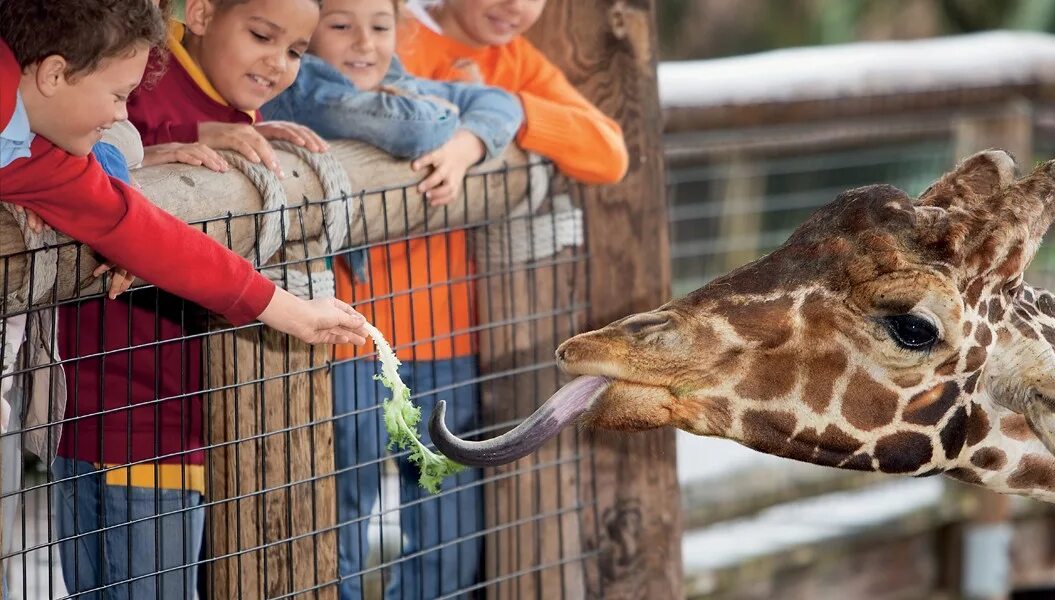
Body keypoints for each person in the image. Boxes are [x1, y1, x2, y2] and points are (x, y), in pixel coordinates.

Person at [0, 1, 367, 597]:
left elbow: (148, 235)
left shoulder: (51, 165)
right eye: (120, 97)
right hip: (120, 418)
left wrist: (294, 313)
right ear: (53, 74)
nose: (125, 116)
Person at [262, 0, 523, 596]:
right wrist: (444, 122)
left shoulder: (402, 84)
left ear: (400, 28)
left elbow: (503, 102)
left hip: (436, 334)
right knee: (339, 510)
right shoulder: (300, 90)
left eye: (380, 27)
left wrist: (465, 148)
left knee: (444, 508)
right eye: (340, 25)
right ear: (307, 34)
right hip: (346, 343)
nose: (364, 43)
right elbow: (413, 127)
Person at [398, 0, 629, 186]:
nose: (516, 5)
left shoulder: (517, 59)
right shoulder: (386, 34)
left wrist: (502, 109)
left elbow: (610, 156)